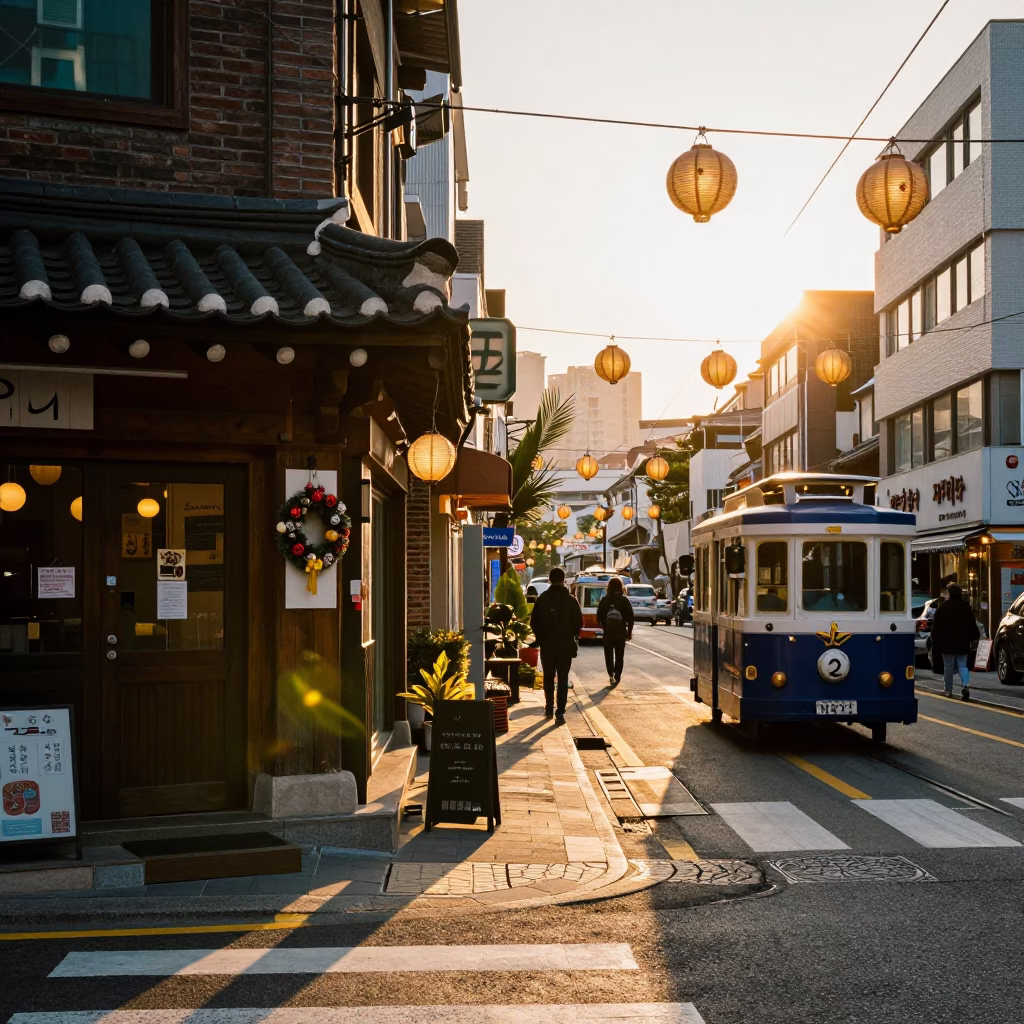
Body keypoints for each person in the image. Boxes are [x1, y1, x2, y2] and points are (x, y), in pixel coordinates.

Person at [529, 566, 583, 721]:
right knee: (563, 678)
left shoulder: (543, 599)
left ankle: (548, 708)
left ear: (550, 580)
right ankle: (560, 711)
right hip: (565, 645)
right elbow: (579, 623)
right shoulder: (571, 600)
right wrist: (573, 636)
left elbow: (534, 622)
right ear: (564, 580)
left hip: (547, 644)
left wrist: (540, 636)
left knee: (548, 677)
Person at [931, 583, 979, 700]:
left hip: (947, 643)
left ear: (950, 593)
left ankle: (948, 690)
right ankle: (965, 686)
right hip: (963, 642)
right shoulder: (965, 607)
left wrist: (936, 640)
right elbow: (972, 624)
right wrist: (973, 638)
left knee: (948, 666)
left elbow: (936, 626)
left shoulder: (944, 607)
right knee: (963, 665)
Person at [597, 577, 634, 686]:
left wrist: (605, 626)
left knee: (608, 655)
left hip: (608, 633)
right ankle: (618, 674)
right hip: (620, 633)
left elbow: (599, 617)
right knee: (619, 655)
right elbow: (630, 618)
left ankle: (610, 674)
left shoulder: (605, 600)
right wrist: (629, 633)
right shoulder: (624, 600)